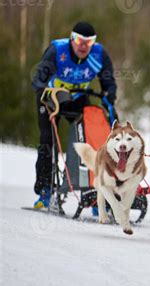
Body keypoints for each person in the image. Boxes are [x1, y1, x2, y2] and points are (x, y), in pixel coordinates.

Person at [31, 21, 118, 208]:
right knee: (48, 140)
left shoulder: (98, 54)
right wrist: (45, 91)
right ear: (72, 39)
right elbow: (38, 80)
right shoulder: (57, 51)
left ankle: (93, 191)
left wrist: (109, 94)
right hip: (51, 98)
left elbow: (108, 81)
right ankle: (45, 190)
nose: (84, 46)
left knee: (89, 140)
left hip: (78, 98)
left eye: (89, 41)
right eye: (79, 40)